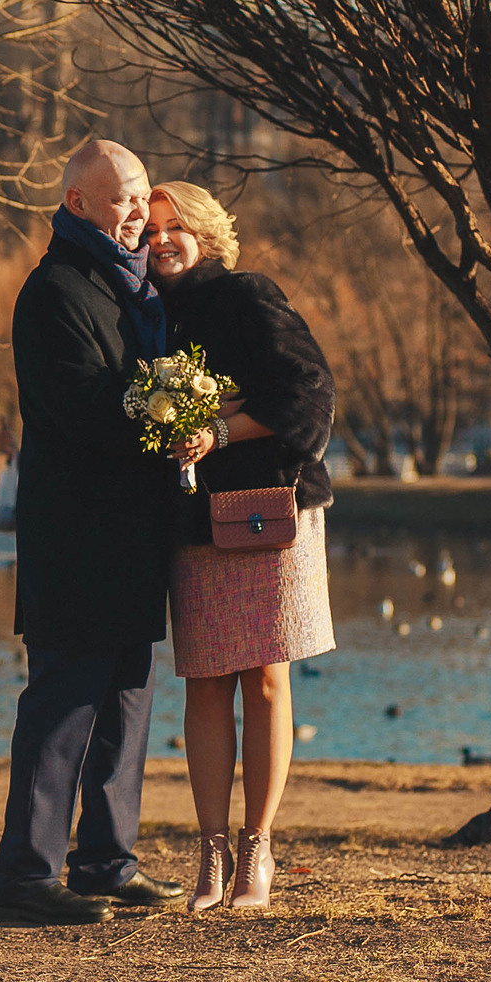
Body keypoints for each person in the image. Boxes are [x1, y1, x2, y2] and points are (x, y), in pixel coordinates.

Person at [0, 139, 184, 926]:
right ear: (78, 204)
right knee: (63, 707)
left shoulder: (134, 289)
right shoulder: (55, 291)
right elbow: (79, 409)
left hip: (134, 534)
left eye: (140, 196)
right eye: (122, 200)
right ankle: (27, 877)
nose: (138, 212)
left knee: (126, 706)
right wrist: (168, 416)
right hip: (74, 539)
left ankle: (107, 861)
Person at [143, 181, 336, 911]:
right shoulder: (148, 313)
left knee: (264, 678)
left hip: (267, 512)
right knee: (204, 680)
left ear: (206, 233)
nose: (161, 239)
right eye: (151, 228)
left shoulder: (249, 294)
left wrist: (219, 430)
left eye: (176, 226)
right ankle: (211, 854)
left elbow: (310, 391)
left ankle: (258, 849)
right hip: (194, 520)